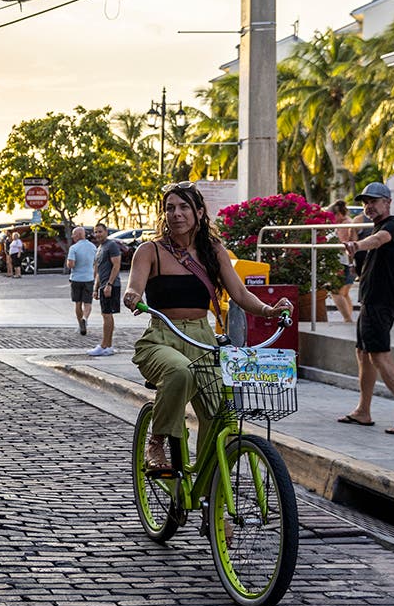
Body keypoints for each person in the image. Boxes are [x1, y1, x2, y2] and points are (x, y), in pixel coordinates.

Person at [123, 182, 293, 468]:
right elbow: (134, 286)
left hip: (204, 339)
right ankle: (157, 441)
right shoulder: (149, 251)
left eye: (184, 207)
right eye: (170, 208)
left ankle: (207, 493)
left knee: (219, 414)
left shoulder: (213, 251)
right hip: (162, 337)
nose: (176, 214)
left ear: (200, 212)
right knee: (178, 372)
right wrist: (132, 296)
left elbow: (240, 294)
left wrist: (270, 310)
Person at [341, 182, 394, 435]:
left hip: (382, 301)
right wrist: (355, 257)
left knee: (378, 354)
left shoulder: (390, 227)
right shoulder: (376, 226)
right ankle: (363, 411)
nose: (369, 206)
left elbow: (378, 241)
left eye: (374, 201)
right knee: (363, 351)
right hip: (372, 299)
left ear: (387, 203)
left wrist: (358, 245)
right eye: (366, 202)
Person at [88, 222, 123, 356]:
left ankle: (106, 345)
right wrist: (96, 288)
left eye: (100, 231)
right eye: (95, 232)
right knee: (105, 315)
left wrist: (109, 284)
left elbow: (116, 265)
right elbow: (98, 270)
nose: (97, 234)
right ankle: (106, 345)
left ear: (106, 232)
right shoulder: (100, 247)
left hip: (111, 285)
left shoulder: (111, 245)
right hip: (102, 285)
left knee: (107, 315)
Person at [328, 200, 357, 324]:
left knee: (336, 292)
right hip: (350, 262)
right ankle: (348, 319)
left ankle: (347, 318)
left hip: (343, 262)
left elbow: (342, 243)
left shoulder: (344, 225)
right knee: (344, 293)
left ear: (338, 214)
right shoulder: (348, 222)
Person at [65, 226, 96, 335]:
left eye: (73, 234)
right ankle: (85, 318)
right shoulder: (93, 247)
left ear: (78, 235)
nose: (72, 236)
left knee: (78, 303)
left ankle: (80, 324)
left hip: (76, 279)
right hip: (89, 278)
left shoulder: (74, 248)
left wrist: (68, 263)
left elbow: (71, 264)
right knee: (87, 303)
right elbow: (95, 263)